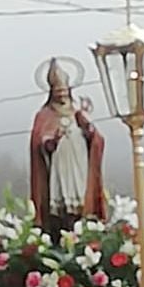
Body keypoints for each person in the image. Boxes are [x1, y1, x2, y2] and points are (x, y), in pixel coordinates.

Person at [29, 58, 106, 239]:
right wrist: (52, 141)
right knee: (62, 203)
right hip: (59, 165)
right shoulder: (44, 115)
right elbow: (39, 144)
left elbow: (96, 139)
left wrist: (88, 129)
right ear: (52, 92)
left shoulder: (77, 111)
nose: (62, 94)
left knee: (81, 198)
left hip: (79, 162)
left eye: (64, 90)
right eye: (58, 91)